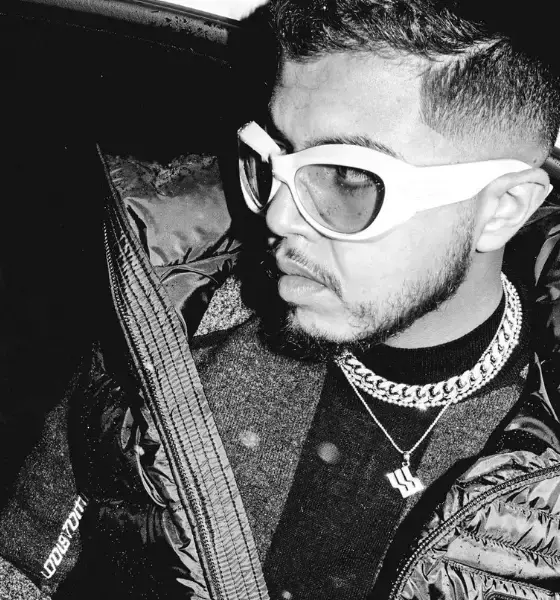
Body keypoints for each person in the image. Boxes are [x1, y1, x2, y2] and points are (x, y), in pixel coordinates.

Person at [3, 1, 560, 599]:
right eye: (270, 158)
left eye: (348, 177)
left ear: (501, 209)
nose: (277, 215)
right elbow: (24, 566)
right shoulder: (171, 337)